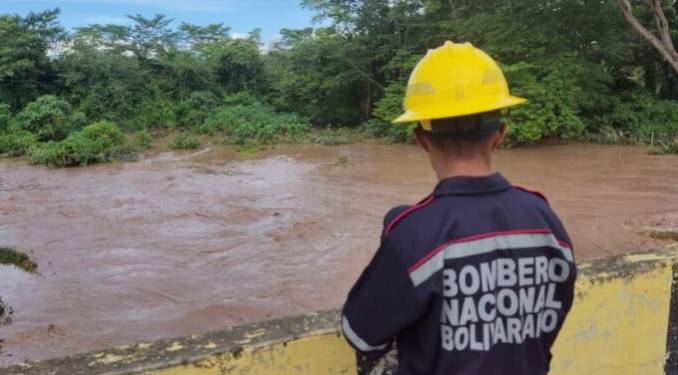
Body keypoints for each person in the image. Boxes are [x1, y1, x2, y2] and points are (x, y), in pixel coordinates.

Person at [341, 41, 577, 375]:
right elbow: (555, 310)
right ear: (500, 135)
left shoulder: (413, 233)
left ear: (420, 139)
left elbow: (359, 333)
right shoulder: (545, 221)